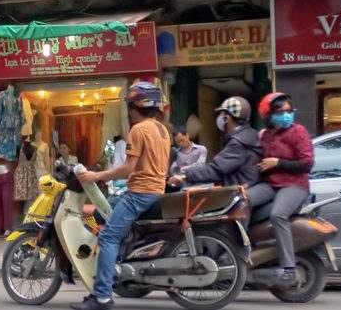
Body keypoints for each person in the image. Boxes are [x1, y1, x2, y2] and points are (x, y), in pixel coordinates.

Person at [72, 81, 170, 310]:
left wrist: (96, 176)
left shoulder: (139, 130)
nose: (129, 112)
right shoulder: (162, 130)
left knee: (108, 237)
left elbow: (127, 169)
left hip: (140, 194)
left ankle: (102, 297)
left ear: (135, 107)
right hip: (156, 191)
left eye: (129, 107)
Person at [169, 97, 272, 209]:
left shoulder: (238, 142)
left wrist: (185, 175)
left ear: (226, 118)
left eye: (221, 115)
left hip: (242, 189)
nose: (219, 118)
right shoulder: (252, 134)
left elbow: (215, 170)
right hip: (250, 184)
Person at [258, 92, 315, 287]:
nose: (286, 115)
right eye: (280, 112)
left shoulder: (298, 131)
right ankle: (242, 253)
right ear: (268, 115)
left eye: (289, 111)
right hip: (271, 184)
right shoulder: (266, 135)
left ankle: (289, 267)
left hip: (294, 185)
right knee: (242, 200)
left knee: (278, 215)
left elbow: (307, 163)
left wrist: (278, 163)